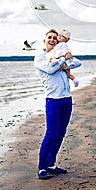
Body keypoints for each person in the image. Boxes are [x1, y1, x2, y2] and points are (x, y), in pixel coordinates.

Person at [34, 28, 82, 180]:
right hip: (53, 100)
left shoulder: (59, 54)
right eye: (50, 37)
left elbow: (77, 63)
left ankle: (51, 164)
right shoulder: (40, 57)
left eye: (55, 37)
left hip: (67, 99)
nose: (53, 39)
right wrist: (63, 61)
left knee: (61, 133)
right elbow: (50, 69)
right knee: (51, 133)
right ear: (45, 40)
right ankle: (42, 167)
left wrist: (64, 60)